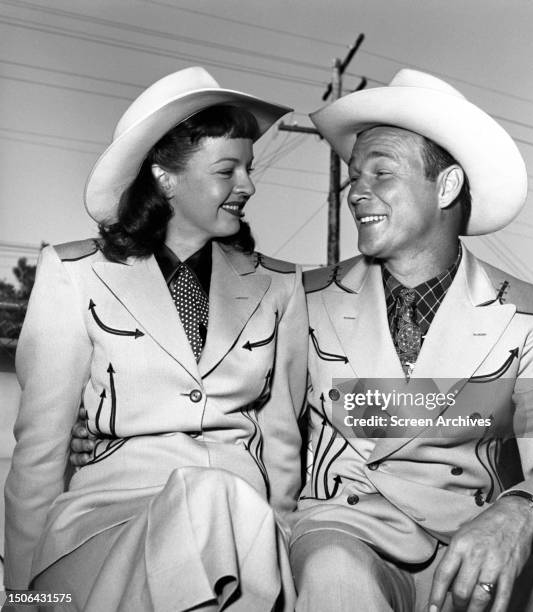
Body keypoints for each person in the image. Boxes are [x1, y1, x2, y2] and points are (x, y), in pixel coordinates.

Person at [4, 66, 308, 611]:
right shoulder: (75, 273)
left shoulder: (279, 285)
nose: (249, 186)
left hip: (244, 538)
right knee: (210, 499)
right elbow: (40, 451)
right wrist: (27, 597)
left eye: (249, 168)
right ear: (165, 178)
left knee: (218, 500)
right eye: (227, 170)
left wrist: (283, 545)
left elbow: (282, 443)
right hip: (108, 525)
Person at [290, 69, 533, 611]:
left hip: (480, 547)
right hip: (350, 537)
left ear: (446, 186)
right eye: (354, 176)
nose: (357, 192)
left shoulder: (530, 316)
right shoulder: (303, 301)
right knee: (334, 576)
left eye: (382, 173)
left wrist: (520, 512)